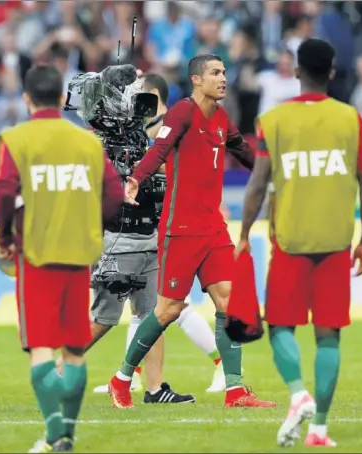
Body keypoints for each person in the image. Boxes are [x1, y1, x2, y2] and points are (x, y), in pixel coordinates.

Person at [108, 54, 276, 409]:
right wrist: (136, 179)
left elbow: (245, 153)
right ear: (196, 80)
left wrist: (276, 171)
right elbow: (159, 150)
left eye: (225, 72)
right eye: (215, 73)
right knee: (167, 310)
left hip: (213, 227)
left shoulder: (221, 118)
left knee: (228, 302)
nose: (223, 78)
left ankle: (235, 390)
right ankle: (121, 379)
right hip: (180, 227)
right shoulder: (183, 113)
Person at [237, 38, 362, 447]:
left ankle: (298, 394)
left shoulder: (274, 120)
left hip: (290, 240)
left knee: (281, 326)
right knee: (329, 335)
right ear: (332, 72)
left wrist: (244, 234)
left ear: (296, 72)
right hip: (335, 241)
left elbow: (258, 184)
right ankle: (320, 428)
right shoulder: (351, 119)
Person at [0, 65, 124, 453]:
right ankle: (68, 431)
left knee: (41, 349)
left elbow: (4, 192)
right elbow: (115, 196)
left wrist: (4, 235)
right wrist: (90, 223)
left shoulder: (16, 139)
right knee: (75, 349)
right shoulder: (88, 141)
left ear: (26, 98)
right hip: (79, 254)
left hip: (37, 253)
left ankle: (54, 434)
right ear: (63, 100)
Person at [89, 74, 227, 400]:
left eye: (137, 92)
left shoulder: (163, 128)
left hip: (167, 228)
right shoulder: (141, 131)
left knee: (164, 309)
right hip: (149, 229)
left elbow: (183, 167)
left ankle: (152, 378)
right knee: (154, 311)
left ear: (151, 94)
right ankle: (137, 379)